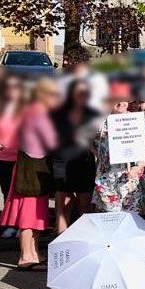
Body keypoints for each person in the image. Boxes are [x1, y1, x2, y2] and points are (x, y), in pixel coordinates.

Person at [1, 78, 60, 270]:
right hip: (31, 171)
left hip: (34, 169)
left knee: (35, 215)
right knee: (28, 215)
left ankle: (34, 252)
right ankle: (26, 256)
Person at [50, 80, 100, 234]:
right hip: (62, 159)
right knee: (62, 205)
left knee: (85, 205)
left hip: (84, 160)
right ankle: (61, 241)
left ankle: (85, 240)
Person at [91, 90, 145, 215]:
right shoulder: (100, 122)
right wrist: (99, 155)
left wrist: (137, 167)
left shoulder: (138, 121)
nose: (121, 103)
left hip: (132, 182)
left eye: (124, 99)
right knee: (110, 222)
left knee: (133, 222)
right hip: (107, 182)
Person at [0, 74, 26, 235]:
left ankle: (21, 225)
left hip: (20, 158)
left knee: (20, 193)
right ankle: (10, 224)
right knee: (6, 193)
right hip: (2, 158)